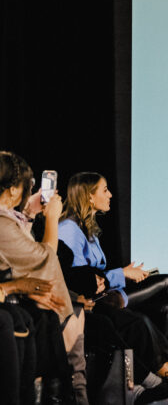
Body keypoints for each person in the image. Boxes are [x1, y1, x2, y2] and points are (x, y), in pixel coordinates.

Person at [58, 172, 168, 366]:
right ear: (89, 196)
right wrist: (122, 274)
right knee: (165, 281)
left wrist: (124, 273)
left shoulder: (87, 228)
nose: (110, 195)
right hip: (96, 302)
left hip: (107, 293)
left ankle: (163, 369)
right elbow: (77, 278)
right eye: (105, 190)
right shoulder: (69, 228)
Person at [0, 151, 86, 405]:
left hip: (21, 300)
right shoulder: (3, 223)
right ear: (15, 190)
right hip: (14, 303)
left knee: (45, 316)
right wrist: (51, 219)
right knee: (37, 317)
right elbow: (44, 257)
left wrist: (30, 214)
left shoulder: (10, 219)